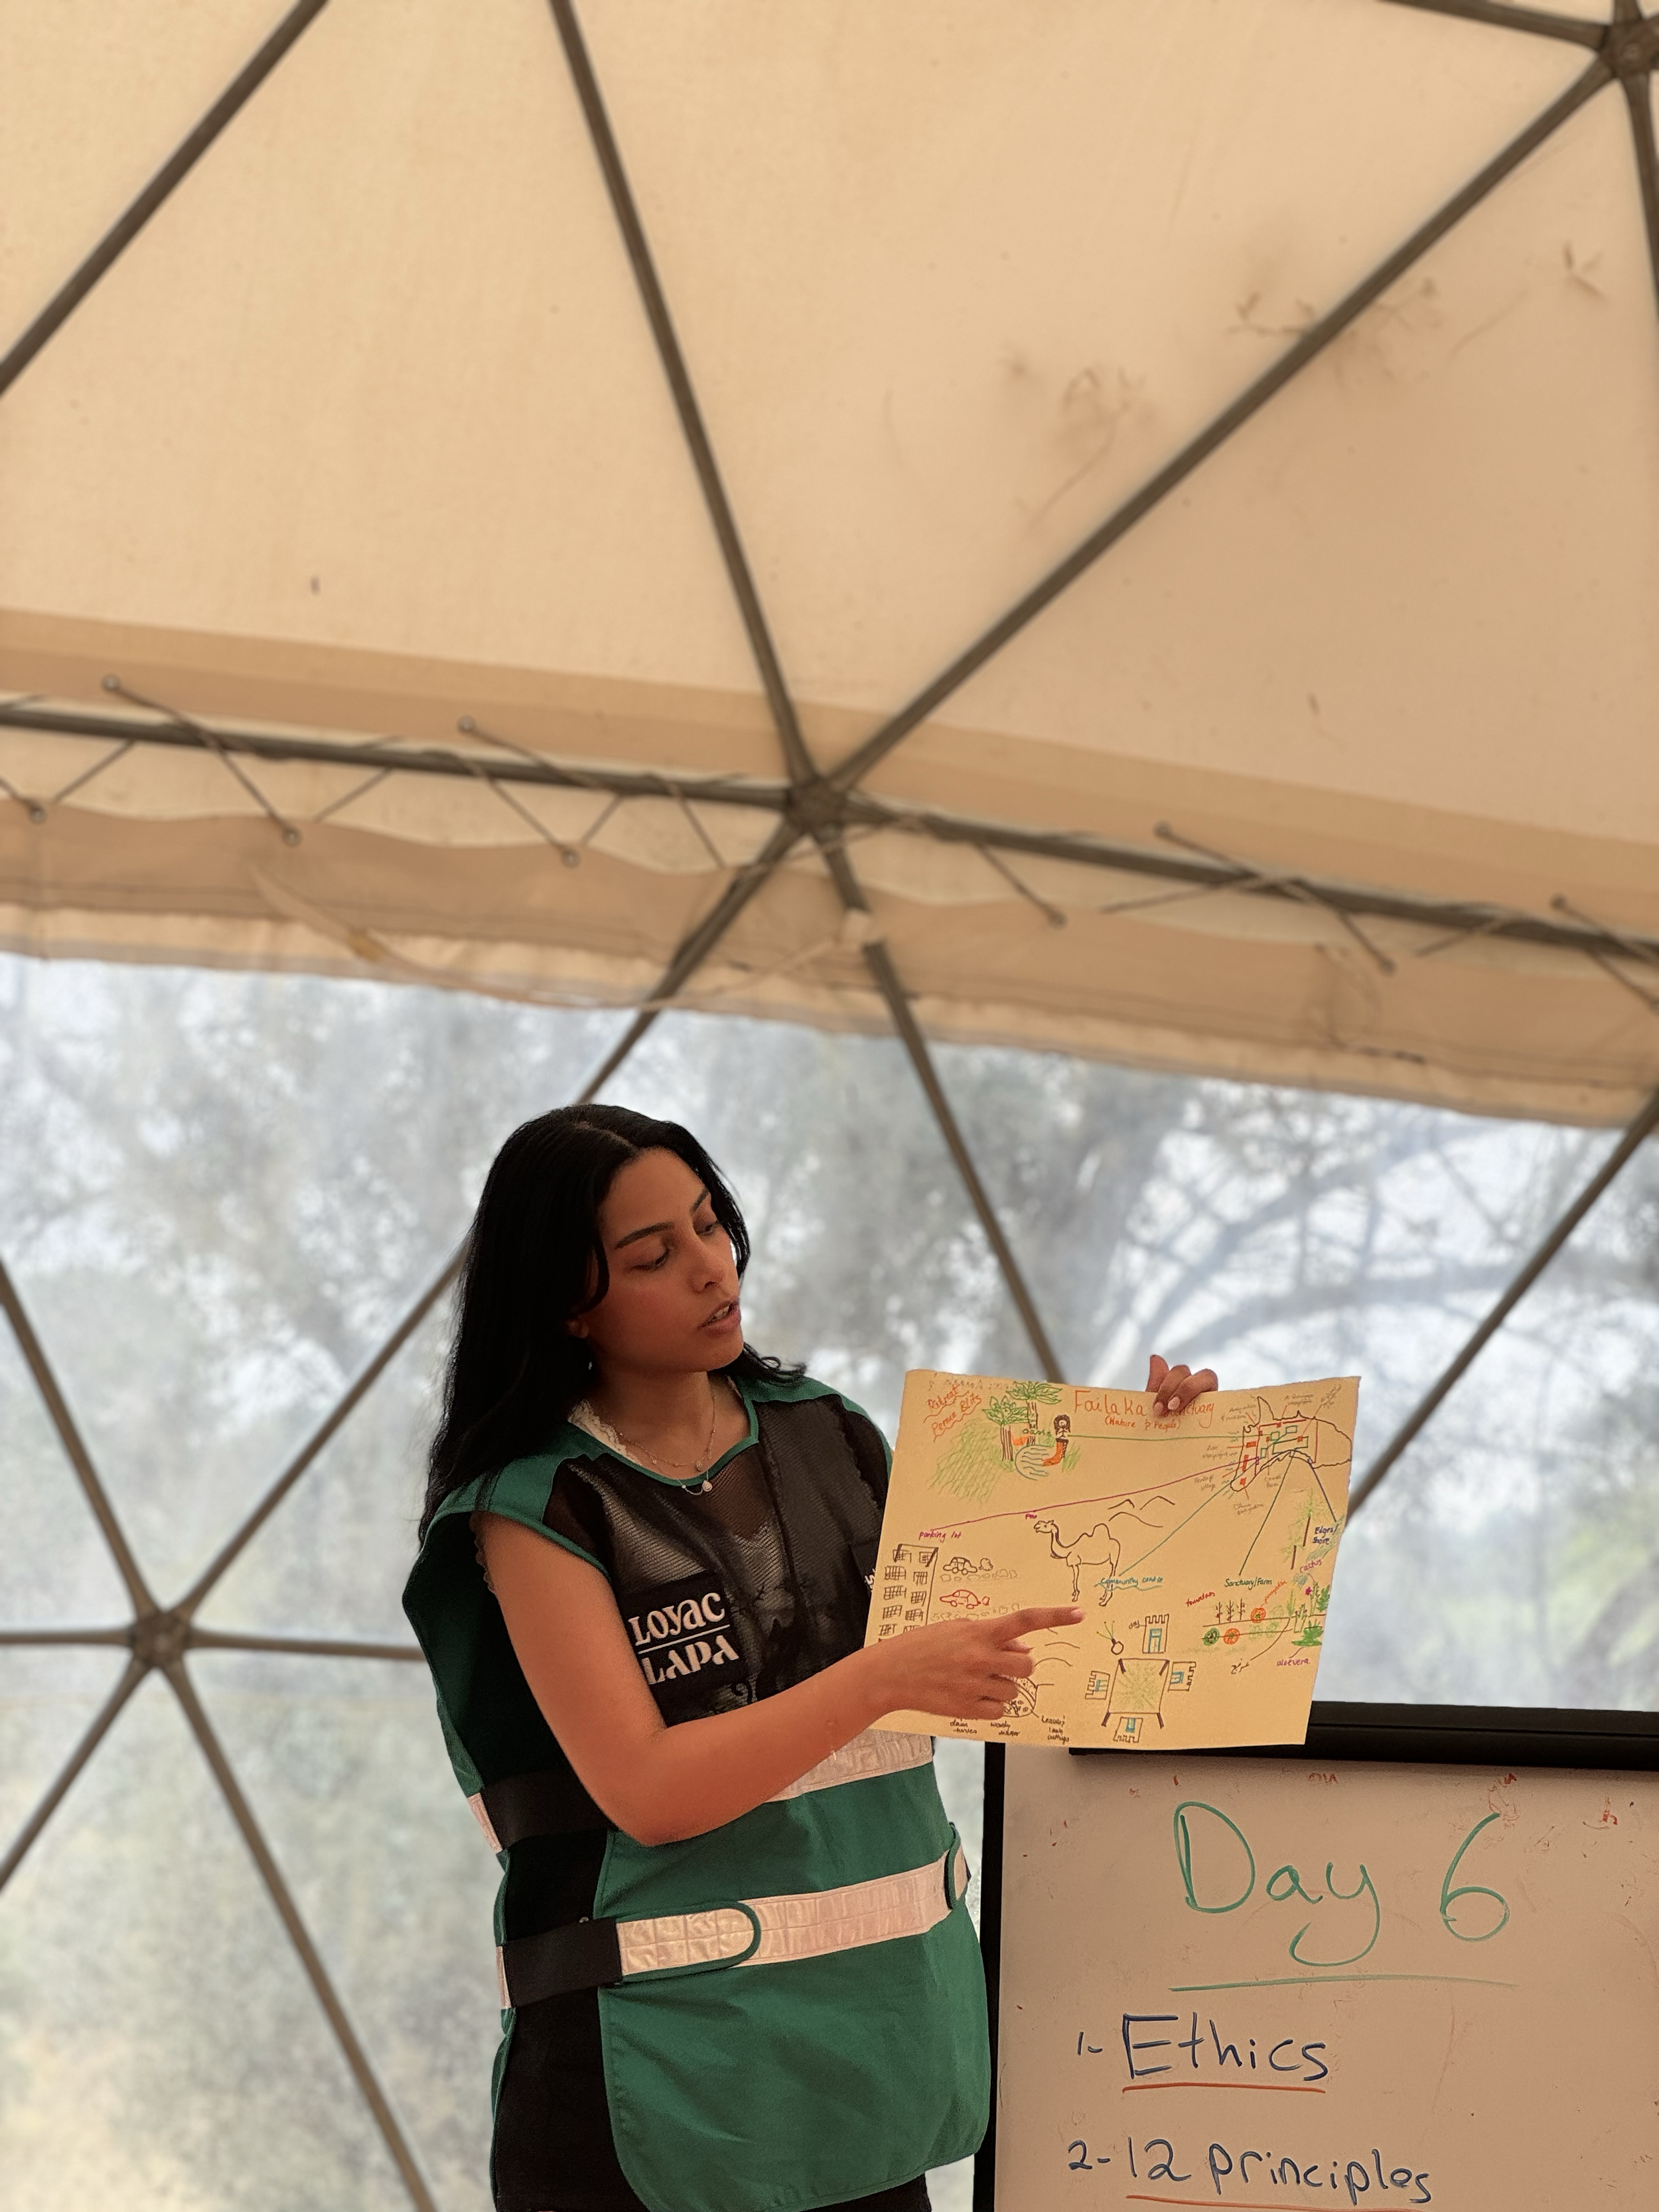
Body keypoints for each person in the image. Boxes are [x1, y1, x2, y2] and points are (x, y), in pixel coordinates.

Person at [404, 1104, 1218, 2212]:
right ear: (566, 1305)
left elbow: (1041, 1629)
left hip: (870, 2069)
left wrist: (1163, 1452)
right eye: (654, 1254)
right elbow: (647, 1790)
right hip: (663, 2089)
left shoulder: (833, 1435)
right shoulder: (533, 1508)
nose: (710, 1267)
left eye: (708, 1225)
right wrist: (880, 1680)